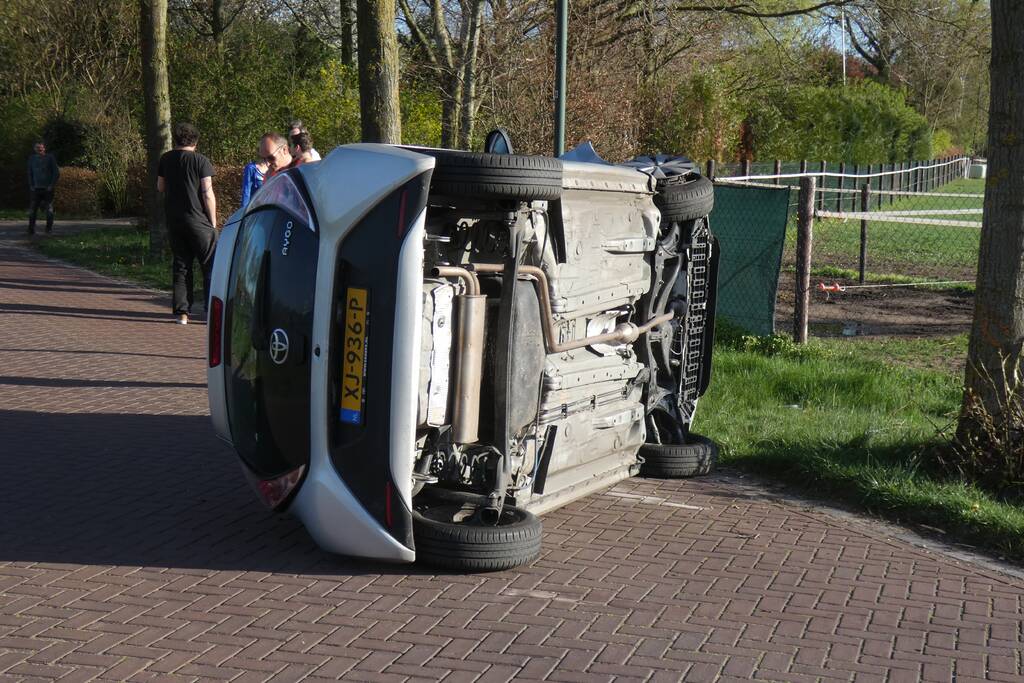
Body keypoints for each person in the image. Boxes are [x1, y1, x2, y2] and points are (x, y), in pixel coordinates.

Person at [157, 122, 217, 325]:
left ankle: (182, 313)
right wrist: (213, 222)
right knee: (209, 266)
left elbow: (160, 186)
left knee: (181, 266)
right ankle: (210, 312)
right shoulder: (201, 161)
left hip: (175, 220)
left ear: (175, 140)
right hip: (198, 220)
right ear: (196, 141)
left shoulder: (165, 159)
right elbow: (207, 192)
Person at [27, 140, 60, 235]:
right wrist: (31, 185)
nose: (39, 150)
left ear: (44, 148)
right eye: (37, 148)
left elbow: (56, 173)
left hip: (47, 189)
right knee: (32, 209)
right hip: (36, 189)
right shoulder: (31, 159)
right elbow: (29, 172)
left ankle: (48, 228)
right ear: (34, 149)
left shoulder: (50, 158)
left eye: (41, 148)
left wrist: (51, 185)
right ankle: (31, 229)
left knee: (49, 209)